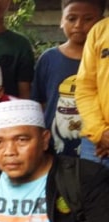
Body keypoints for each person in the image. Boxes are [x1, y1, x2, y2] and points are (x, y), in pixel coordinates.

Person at [33, 0, 104, 157]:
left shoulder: (103, 60)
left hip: (98, 144)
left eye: (88, 19)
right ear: (61, 20)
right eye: (71, 18)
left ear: (101, 23)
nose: (78, 25)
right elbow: (39, 102)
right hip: (55, 146)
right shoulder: (49, 59)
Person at [76, 11, 109, 166]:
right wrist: (100, 132)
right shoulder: (100, 30)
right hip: (97, 141)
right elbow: (85, 88)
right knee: (91, 189)